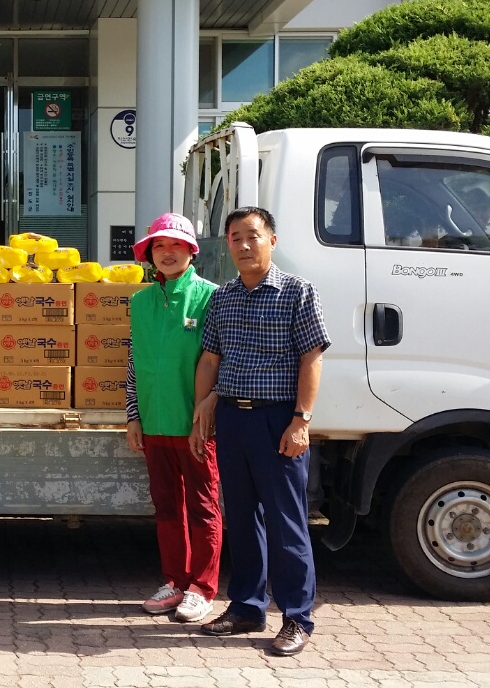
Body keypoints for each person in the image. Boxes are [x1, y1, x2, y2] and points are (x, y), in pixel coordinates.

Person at [190, 206, 329, 657]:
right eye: (235, 237)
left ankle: (297, 618)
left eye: (253, 236)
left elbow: (312, 358)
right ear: (227, 244)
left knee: (287, 522)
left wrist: (301, 420)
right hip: (233, 418)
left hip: (278, 421)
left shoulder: (297, 292)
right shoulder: (224, 297)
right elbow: (211, 359)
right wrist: (202, 409)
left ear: (272, 240)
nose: (244, 245)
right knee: (243, 518)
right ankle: (247, 607)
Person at [125, 212, 222, 625]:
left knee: (203, 507)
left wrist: (211, 408)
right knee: (166, 508)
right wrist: (133, 415)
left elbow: (223, 359)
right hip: (154, 422)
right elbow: (134, 362)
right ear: (148, 254)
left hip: (197, 426)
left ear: (191, 251)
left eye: (176, 245)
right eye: (159, 246)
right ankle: (176, 583)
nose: (167, 253)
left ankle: (203, 588)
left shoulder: (211, 297)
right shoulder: (140, 301)